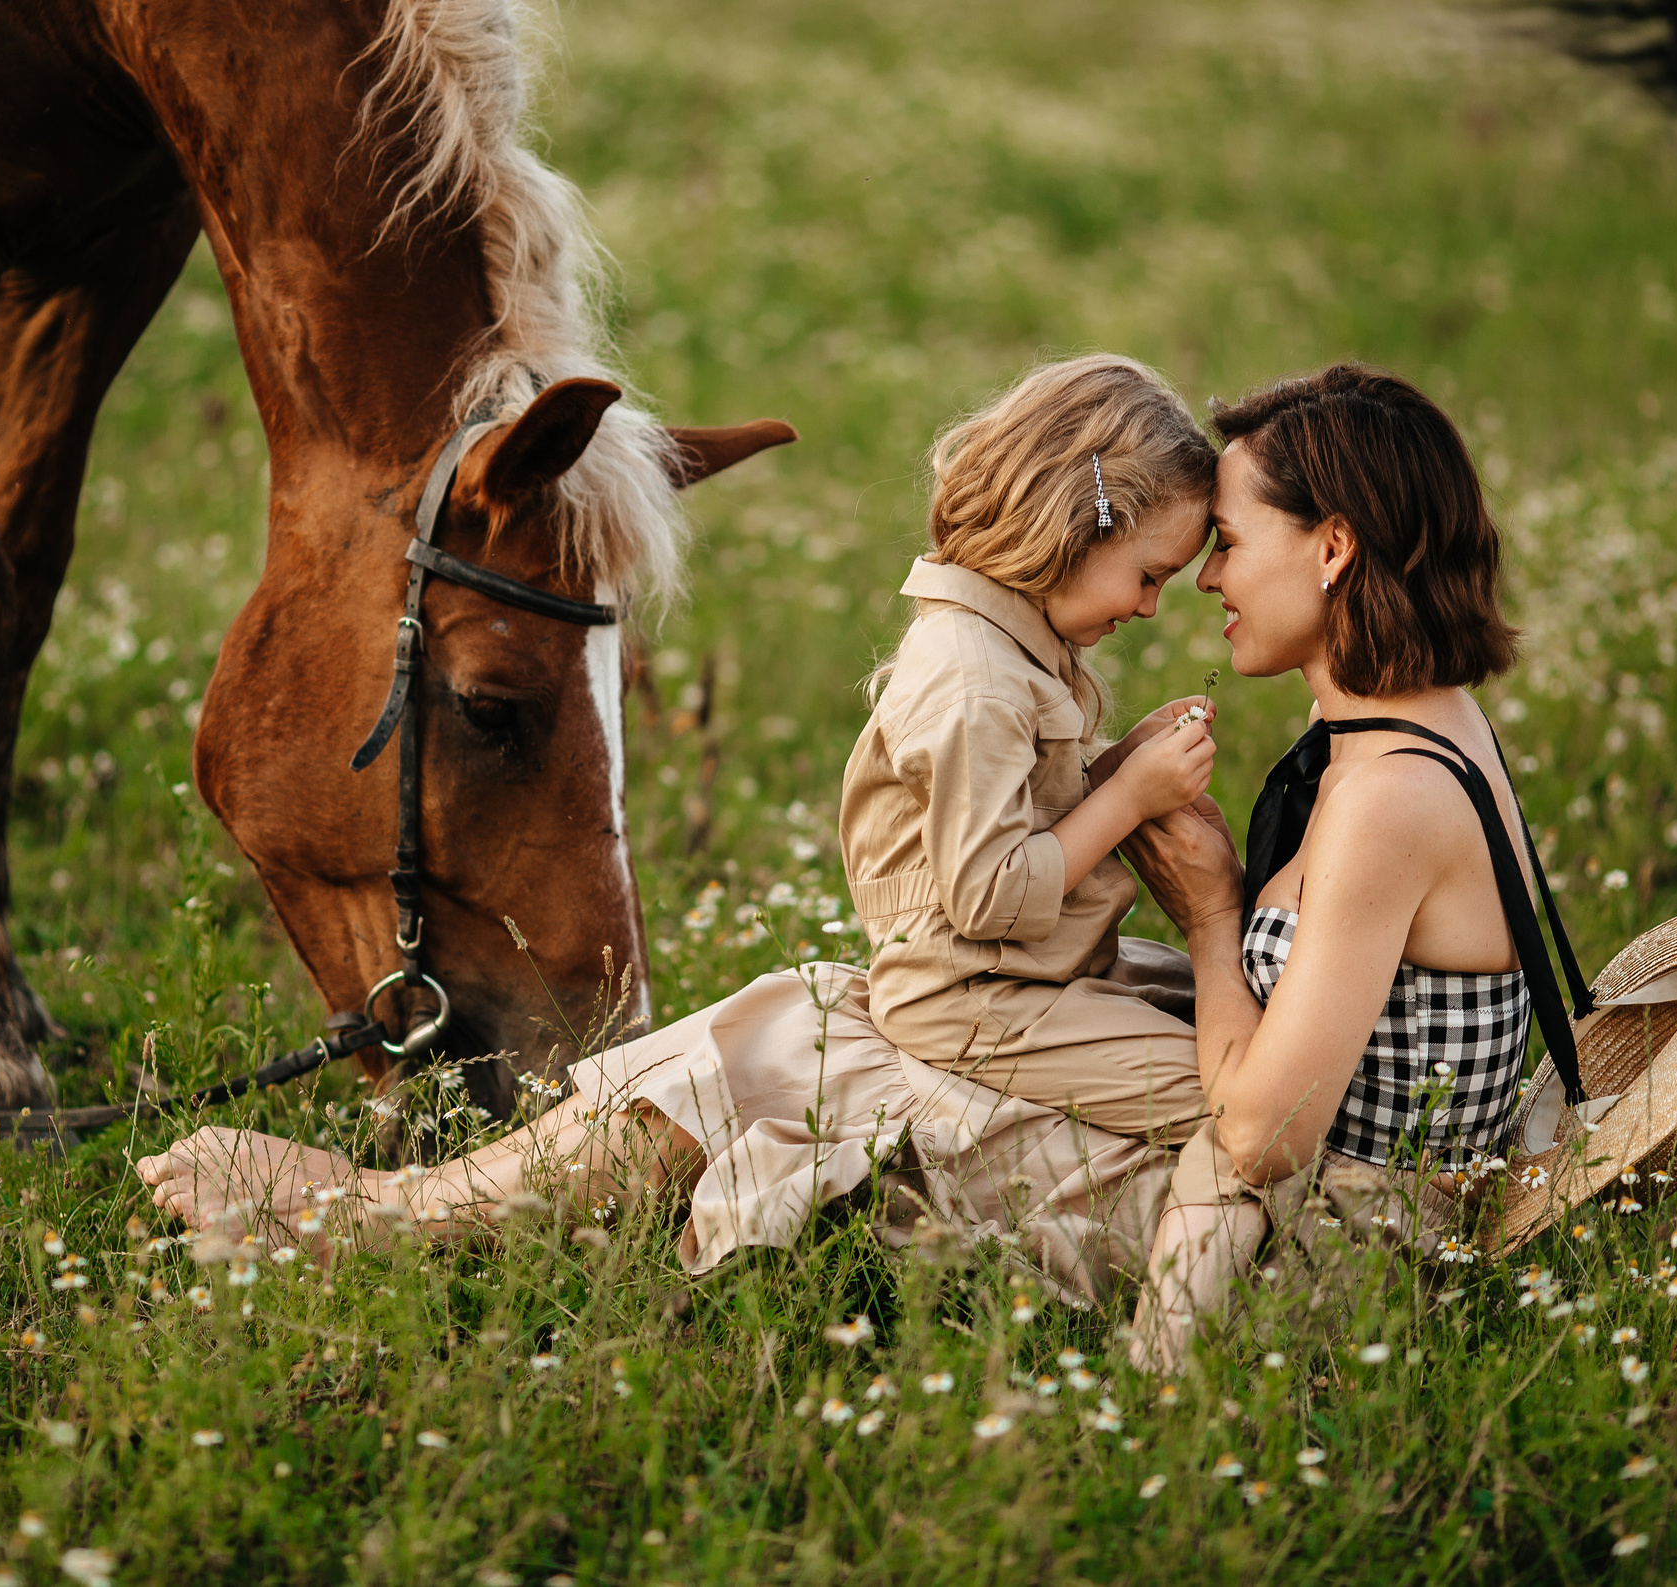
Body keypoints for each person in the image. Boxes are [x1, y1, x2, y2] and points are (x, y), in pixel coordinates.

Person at [138, 353, 1249, 1310]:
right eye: (1149, 574)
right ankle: (369, 1220)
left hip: (1007, 984)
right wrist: (1132, 798)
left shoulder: (1011, 655)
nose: (1157, 604)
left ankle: (372, 1211)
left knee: (797, 1029)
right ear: (1075, 522)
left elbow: (1001, 827)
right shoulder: (973, 683)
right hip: (985, 997)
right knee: (1255, 1100)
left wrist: (1111, 775)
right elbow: (988, 893)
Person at [1119, 363, 1589, 1368]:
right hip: (1323, 1213)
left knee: (908, 1110)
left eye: (1230, 545)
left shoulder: (1387, 795)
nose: (1206, 579)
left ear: (1333, 547)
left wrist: (1209, 916)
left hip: (1340, 1266)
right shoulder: (1419, 720)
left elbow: (1261, 1142)